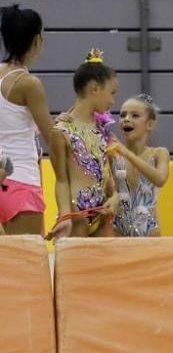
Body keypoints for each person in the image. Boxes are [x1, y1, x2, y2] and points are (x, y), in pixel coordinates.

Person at [0, 4, 63, 236]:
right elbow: (51, 136)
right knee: (28, 266)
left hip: (4, 178)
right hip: (20, 181)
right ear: (37, 40)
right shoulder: (28, 83)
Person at [52, 49, 120, 237]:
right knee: (74, 266)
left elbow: (111, 172)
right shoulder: (61, 130)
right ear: (95, 89)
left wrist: (115, 196)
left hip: (104, 215)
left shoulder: (102, 129)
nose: (113, 100)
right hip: (77, 216)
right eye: (112, 93)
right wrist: (64, 216)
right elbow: (61, 180)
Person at [110, 94, 170, 236]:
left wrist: (126, 153)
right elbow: (110, 191)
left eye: (134, 115)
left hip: (150, 231)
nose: (127, 119)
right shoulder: (113, 155)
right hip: (119, 231)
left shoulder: (159, 154)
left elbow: (160, 179)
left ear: (150, 124)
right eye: (123, 115)